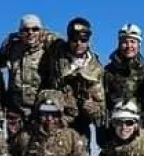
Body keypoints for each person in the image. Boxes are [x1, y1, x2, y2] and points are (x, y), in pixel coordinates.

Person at [40, 16, 106, 145]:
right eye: (74, 39)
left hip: (79, 124)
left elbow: (100, 109)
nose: (78, 44)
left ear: (89, 40)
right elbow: (38, 33)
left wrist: (91, 108)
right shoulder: (57, 48)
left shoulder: (95, 69)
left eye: (83, 40)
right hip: (53, 118)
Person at [102, 23, 144, 140]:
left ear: (139, 45)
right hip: (113, 133)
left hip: (142, 132)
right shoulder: (107, 72)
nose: (129, 46)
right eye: (125, 42)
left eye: (133, 42)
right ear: (119, 44)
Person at [0, 14, 59, 118]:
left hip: (41, 109)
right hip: (16, 110)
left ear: (41, 31)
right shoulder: (12, 46)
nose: (30, 33)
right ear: (20, 32)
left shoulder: (50, 47)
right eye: (26, 30)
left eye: (35, 29)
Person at [9, 89, 93, 156]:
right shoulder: (26, 136)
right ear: (38, 114)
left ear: (60, 115)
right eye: (44, 113)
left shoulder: (71, 137)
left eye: (54, 114)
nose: (49, 118)